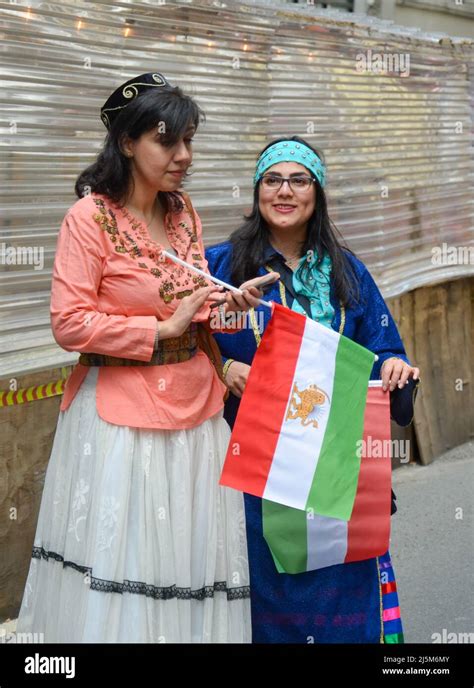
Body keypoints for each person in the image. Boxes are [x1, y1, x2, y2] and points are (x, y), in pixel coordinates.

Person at [15, 72, 264, 643]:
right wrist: (157, 329)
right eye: (166, 141)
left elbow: (194, 311)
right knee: (129, 559)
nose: (184, 156)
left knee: (189, 558)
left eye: (189, 141)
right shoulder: (89, 219)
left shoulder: (184, 214)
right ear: (127, 142)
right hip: (121, 420)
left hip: (198, 411)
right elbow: (69, 322)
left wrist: (227, 305)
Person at [205, 136, 420, 643]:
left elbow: (385, 346)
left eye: (299, 180)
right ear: (257, 190)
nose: (285, 191)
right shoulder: (220, 266)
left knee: (341, 588)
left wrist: (393, 365)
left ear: (317, 193)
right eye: (272, 179)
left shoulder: (348, 271)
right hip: (254, 467)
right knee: (265, 588)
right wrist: (223, 368)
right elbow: (189, 346)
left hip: (336, 466)